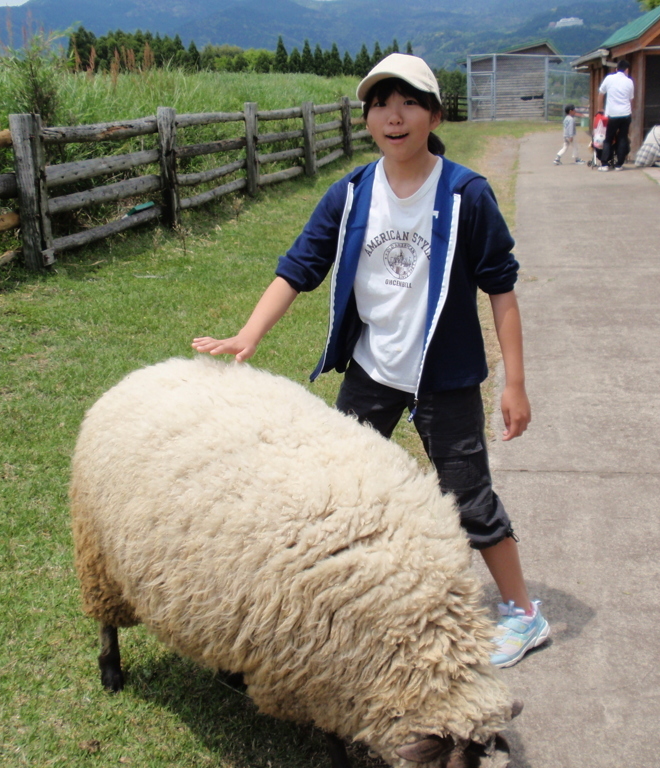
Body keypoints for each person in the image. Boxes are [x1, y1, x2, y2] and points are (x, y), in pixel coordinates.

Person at [192, 53, 549, 669]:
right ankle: (349, 596)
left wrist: (514, 384)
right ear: (367, 119)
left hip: (446, 378)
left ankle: (524, 614)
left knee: (468, 498)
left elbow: (502, 290)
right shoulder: (353, 192)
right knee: (338, 487)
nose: (394, 115)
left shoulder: (467, 194)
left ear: (434, 115)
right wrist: (248, 335)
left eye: (409, 101)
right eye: (381, 103)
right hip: (372, 371)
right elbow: (300, 265)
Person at [597, 59, 634, 171]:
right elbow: (631, 99)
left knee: (608, 138)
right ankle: (619, 164)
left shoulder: (609, 78)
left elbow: (601, 94)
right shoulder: (629, 81)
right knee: (622, 138)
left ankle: (604, 164)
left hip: (612, 114)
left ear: (616, 69)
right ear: (627, 70)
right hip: (626, 114)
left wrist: (600, 109)